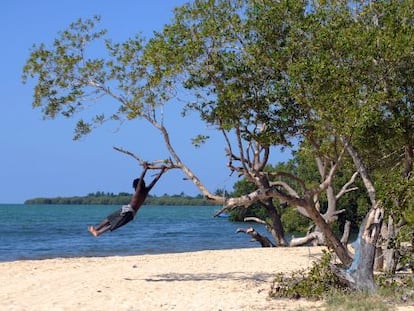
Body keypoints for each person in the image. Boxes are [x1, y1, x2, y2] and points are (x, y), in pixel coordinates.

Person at [88, 165, 167, 237]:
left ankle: (98, 232)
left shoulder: (139, 191)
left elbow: (141, 181)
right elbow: (155, 181)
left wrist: (145, 170)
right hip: (129, 211)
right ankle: (96, 228)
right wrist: (161, 171)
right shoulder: (146, 191)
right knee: (110, 219)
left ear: (136, 186)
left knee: (113, 222)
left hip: (128, 211)